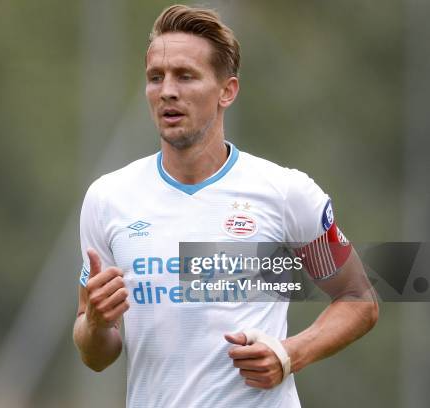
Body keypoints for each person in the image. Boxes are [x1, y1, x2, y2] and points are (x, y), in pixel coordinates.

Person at [72, 4, 378, 407]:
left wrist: (291, 354)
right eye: (155, 78)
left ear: (227, 91)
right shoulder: (108, 199)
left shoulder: (286, 193)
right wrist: (94, 323)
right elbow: (97, 354)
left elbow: (358, 299)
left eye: (185, 76)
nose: (167, 90)